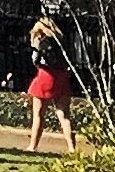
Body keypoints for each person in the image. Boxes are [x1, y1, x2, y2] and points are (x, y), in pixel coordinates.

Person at [25, 19, 78, 152]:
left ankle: (33, 146)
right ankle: (72, 148)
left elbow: (35, 60)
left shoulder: (41, 40)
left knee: (38, 115)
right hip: (62, 76)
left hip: (45, 75)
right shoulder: (62, 40)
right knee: (64, 115)